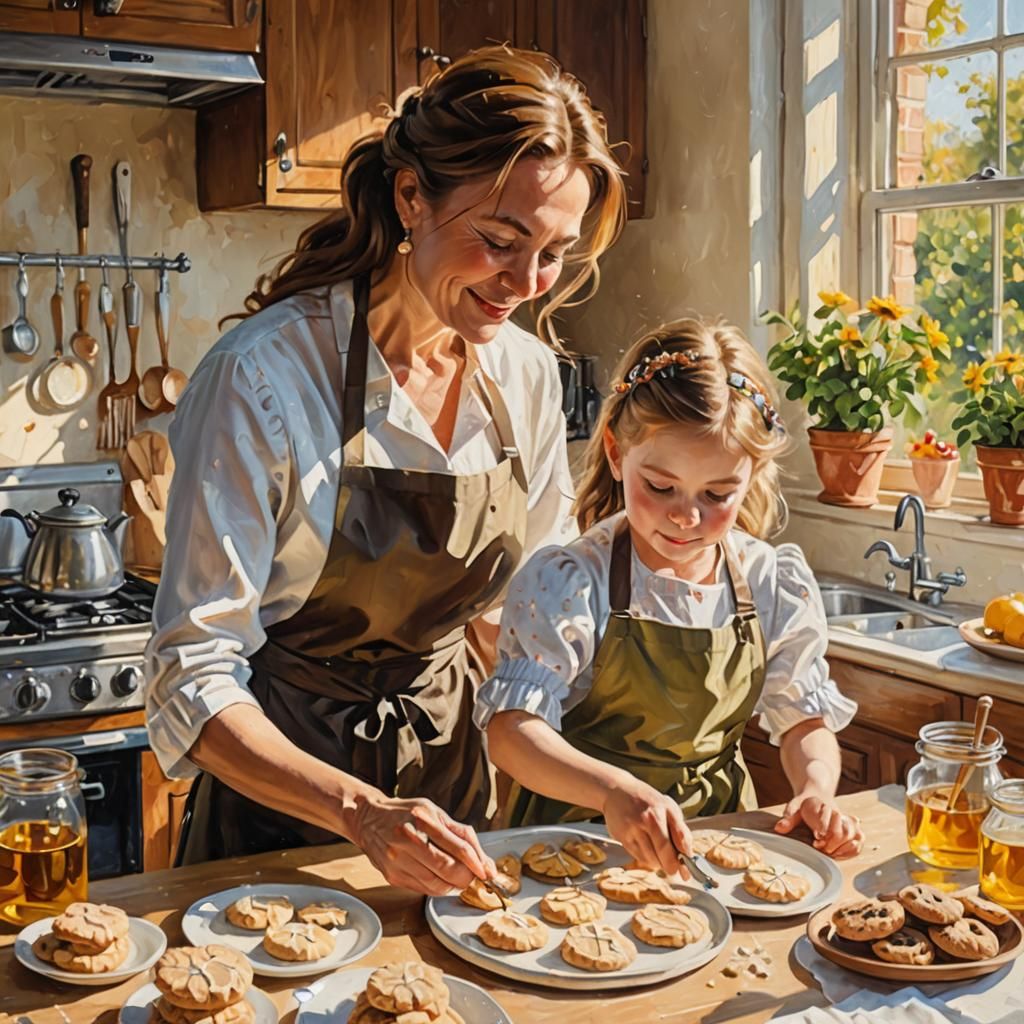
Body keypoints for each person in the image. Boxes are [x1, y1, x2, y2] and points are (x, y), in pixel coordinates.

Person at [144, 46, 626, 896]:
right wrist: (360, 810)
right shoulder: (262, 378)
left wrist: (593, 774)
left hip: (453, 814)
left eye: (554, 254)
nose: (526, 283)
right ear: (411, 196)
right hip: (279, 823)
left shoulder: (526, 377)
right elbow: (191, 673)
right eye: (500, 241)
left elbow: (520, 629)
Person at [475, 318, 862, 876]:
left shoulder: (770, 582)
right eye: (660, 487)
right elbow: (512, 734)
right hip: (580, 836)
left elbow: (803, 721)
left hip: (719, 844)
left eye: (718, 493)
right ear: (615, 453)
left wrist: (816, 788)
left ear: (750, 478)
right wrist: (613, 791)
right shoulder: (573, 581)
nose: (686, 515)